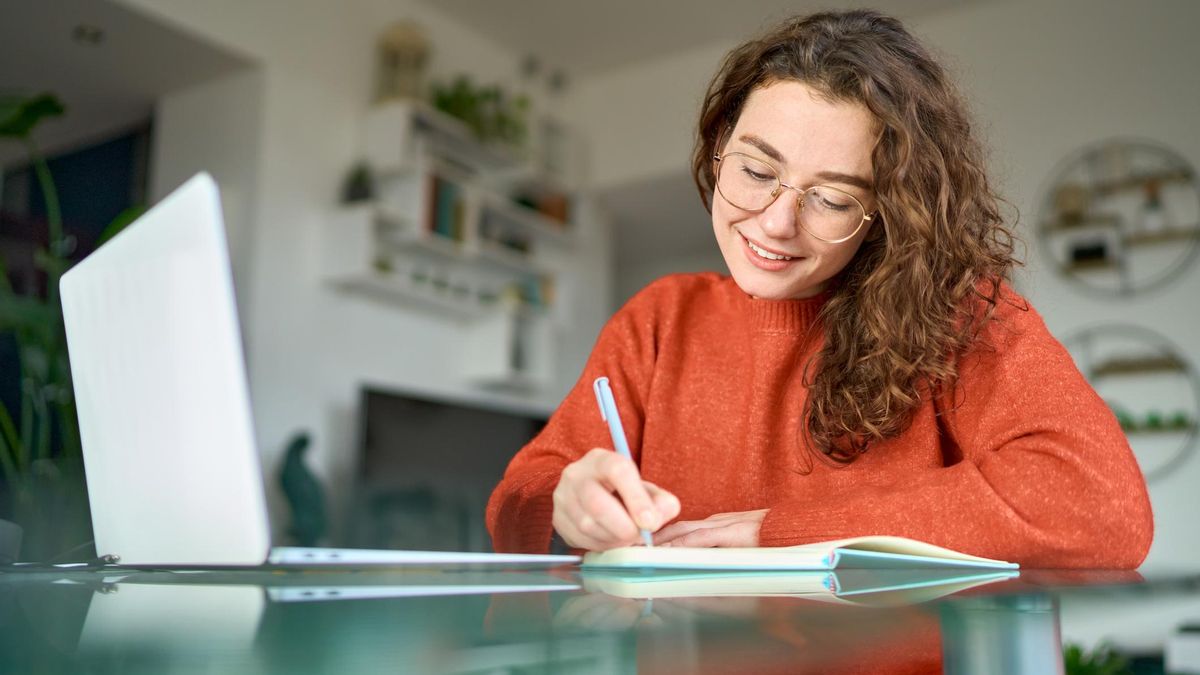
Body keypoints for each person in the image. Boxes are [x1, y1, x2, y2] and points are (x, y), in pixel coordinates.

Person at [486, 9, 1153, 567]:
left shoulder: (959, 313)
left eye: (832, 198)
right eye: (755, 169)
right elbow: (518, 499)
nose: (776, 222)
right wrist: (567, 500)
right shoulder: (659, 320)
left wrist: (776, 534)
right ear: (719, 143)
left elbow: (1098, 505)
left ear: (889, 210)